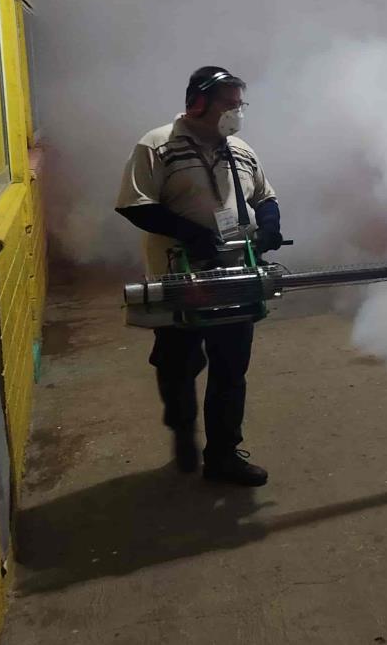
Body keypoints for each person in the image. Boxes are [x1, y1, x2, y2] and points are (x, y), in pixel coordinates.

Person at [115, 66, 285, 486]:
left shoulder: (242, 150)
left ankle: (223, 454)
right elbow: (134, 204)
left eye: (239, 104)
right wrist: (190, 234)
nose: (236, 112)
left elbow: (265, 195)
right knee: (179, 363)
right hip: (179, 279)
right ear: (199, 103)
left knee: (230, 369)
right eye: (229, 103)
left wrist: (269, 226)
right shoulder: (157, 145)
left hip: (235, 276)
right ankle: (181, 424)